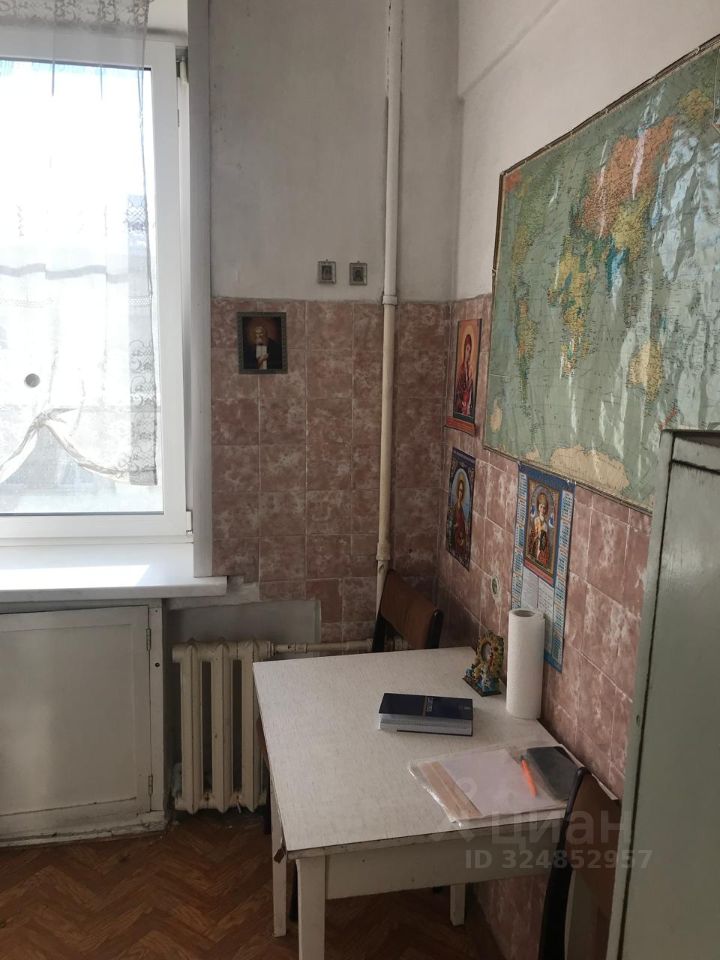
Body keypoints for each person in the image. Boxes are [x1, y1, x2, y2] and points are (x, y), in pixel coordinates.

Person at [527, 491, 551, 569]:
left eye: (544, 508)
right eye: (541, 506)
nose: (542, 509)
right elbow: (533, 533)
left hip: (541, 546)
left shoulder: (546, 525)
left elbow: (545, 539)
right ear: (538, 507)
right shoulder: (536, 519)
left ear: (546, 509)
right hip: (535, 543)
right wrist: (535, 536)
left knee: (541, 558)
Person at [453, 333, 475, 416]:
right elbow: (458, 391)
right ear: (464, 349)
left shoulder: (470, 369)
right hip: (460, 406)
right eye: (467, 349)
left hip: (467, 406)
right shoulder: (461, 369)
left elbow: (470, 389)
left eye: (470, 350)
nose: (468, 353)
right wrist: (462, 400)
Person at [450, 474, 468, 556]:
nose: (460, 493)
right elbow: (452, 522)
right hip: (456, 535)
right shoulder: (455, 507)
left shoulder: (462, 508)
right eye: (459, 490)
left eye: (462, 491)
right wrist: (455, 525)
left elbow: (463, 521)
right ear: (457, 491)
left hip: (461, 534)